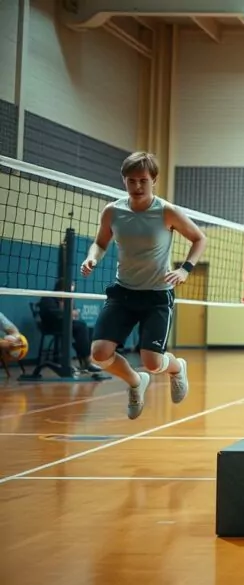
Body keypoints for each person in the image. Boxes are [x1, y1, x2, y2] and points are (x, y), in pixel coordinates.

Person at [81, 152, 207, 420]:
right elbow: (101, 243)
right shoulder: (113, 211)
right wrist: (92, 257)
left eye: (143, 181)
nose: (137, 187)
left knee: (152, 362)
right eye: (131, 181)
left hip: (156, 296)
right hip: (123, 292)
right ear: (123, 180)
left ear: (154, 181)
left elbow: (199, 239)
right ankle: (135, 382)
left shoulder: (166, 211)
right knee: (99, 354)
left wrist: (185, 269)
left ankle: (176, 368)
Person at [38, 278, 103, 373]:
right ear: (61, 288)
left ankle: (84, 360)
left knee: (89, 330)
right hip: (52, 325)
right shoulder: (48, 297)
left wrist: (71, 308)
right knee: (81, 326)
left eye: (73, 290)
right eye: (70, 290)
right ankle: (87, 361)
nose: (72, 292)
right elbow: (52, 313)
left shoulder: (67, 299)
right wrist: (69, 313)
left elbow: (72, 315)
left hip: (65, 324)